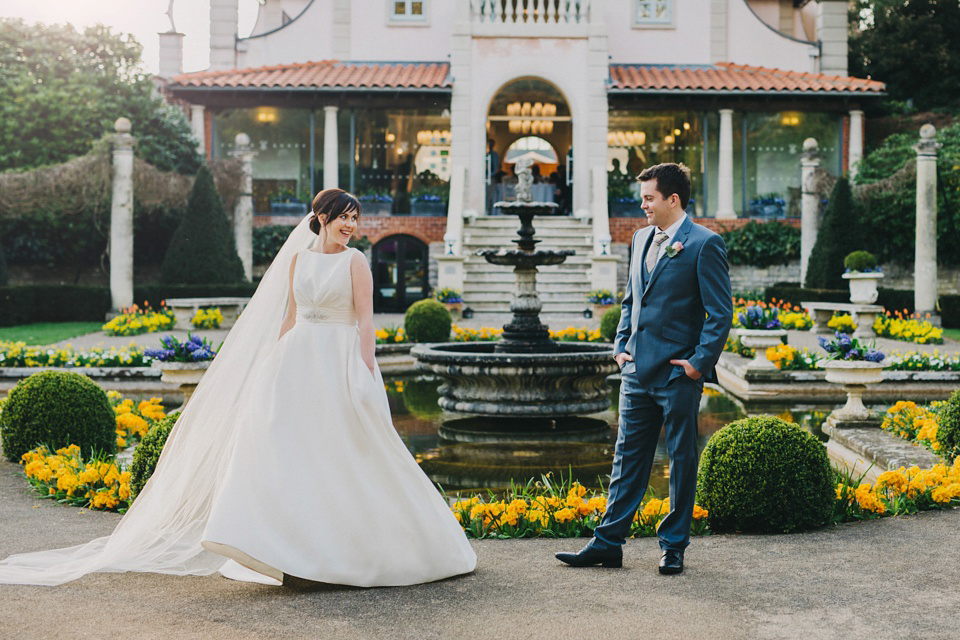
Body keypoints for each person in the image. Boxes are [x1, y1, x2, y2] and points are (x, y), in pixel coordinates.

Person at [0, 188, 476, 587]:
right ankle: (287, 550)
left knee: (349, 452)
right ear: (323, 218)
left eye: (355, 218)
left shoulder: (355, 263)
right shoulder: (298, 262)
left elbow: (366, 326)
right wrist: (271, 360)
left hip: (338, 360)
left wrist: (366, 373)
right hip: (297, 361)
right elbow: (290, 316)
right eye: (344, 217)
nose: (351, 225)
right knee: (286, 450)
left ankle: (357, 549)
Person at [556, 163, 732, 575]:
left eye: (649, 197)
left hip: (676, 376)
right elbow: (631, 299)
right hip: (635, 373)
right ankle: (607, 543)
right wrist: (621, 346)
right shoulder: (638, 238)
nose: (643, 205)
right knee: (626, 461)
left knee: (682, 461)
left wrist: (696, 365)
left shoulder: (705, 244)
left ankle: (673, 547)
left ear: (673, 199)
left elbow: (720, 315)